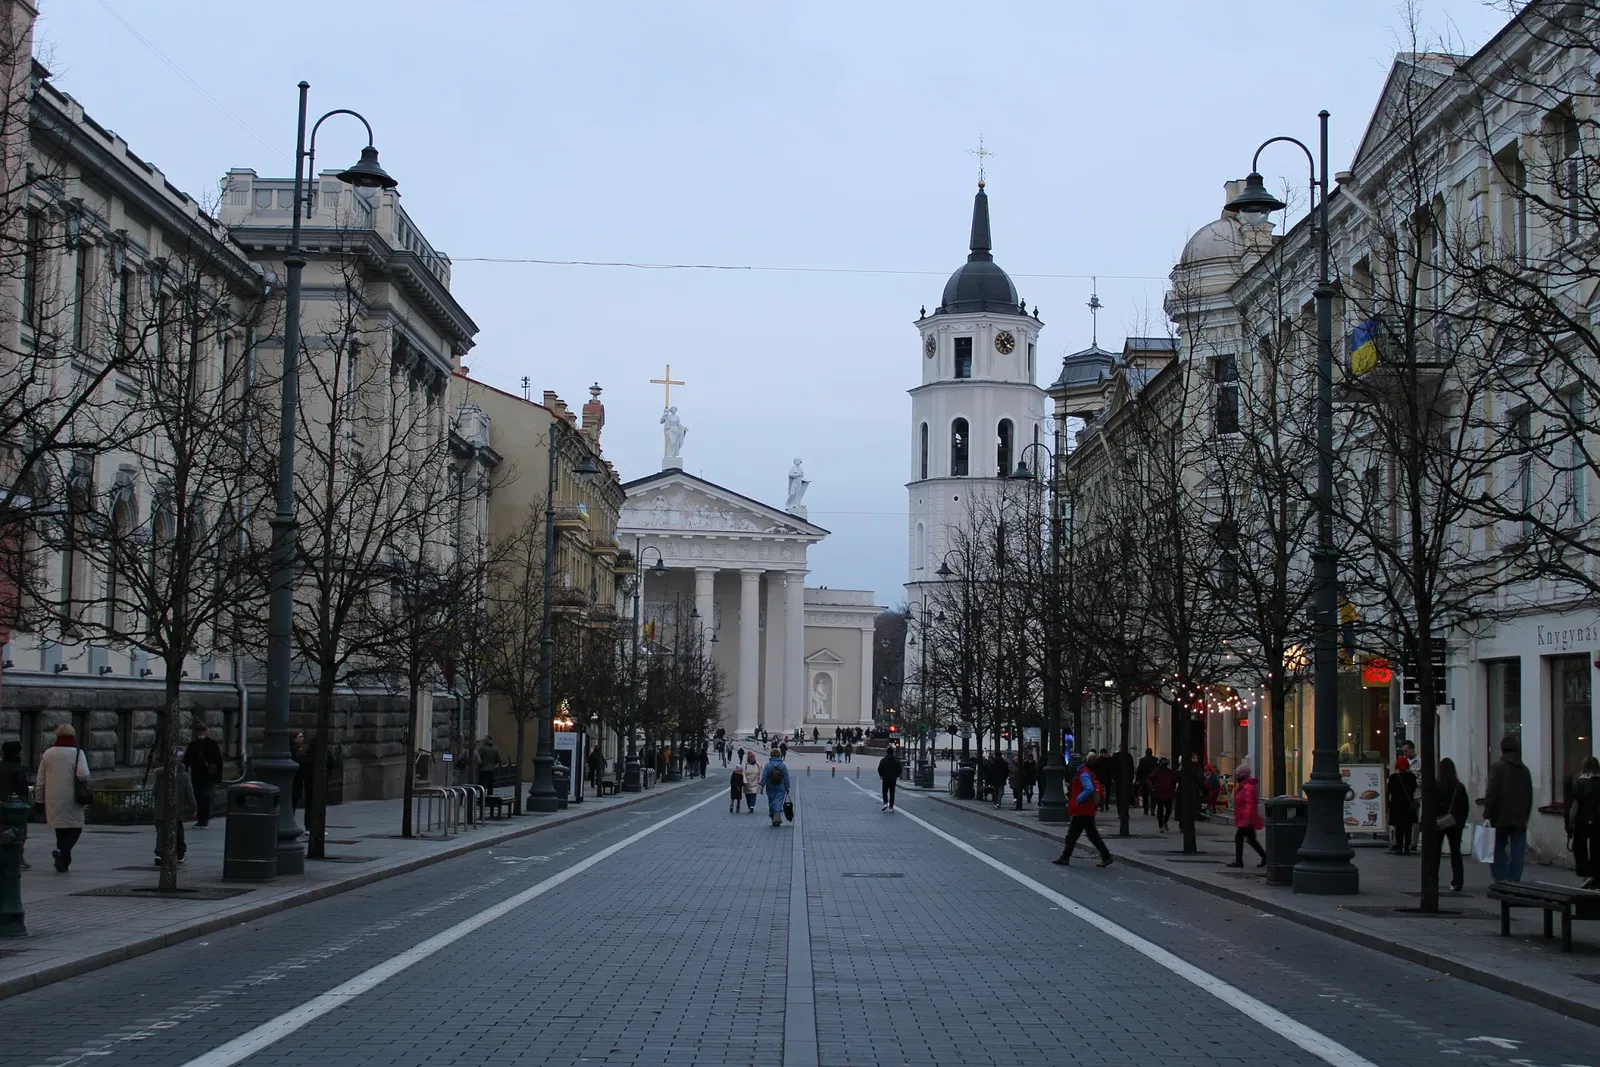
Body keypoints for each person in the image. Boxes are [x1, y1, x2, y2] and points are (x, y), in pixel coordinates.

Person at [36, 724, 90, 873]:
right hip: (72, 797)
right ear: (73, 736)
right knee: (75, 828)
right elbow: (83, 775)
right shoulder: (77, 753)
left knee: (60, 829)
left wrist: (39, 800)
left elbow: (40, 780)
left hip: (52, 797)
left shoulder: (47, 754)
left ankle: (63, 862)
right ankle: (62, 852)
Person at [1485, 734, 1533, 882]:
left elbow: (1491, 791)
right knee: (1518, 849)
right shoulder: (1524, 769)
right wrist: (1525, 814)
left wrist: (1488, 812)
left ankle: (1501, 877)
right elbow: (1529, 794)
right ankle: (1514, 878)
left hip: (1500, 815)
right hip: (1519, 817)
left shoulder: (1498, 767)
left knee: (1497, 847)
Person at [1052, 754, 1113, 868]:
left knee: (1072, 835)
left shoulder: (1083, 773)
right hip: (1086, 809)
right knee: (1091, 835)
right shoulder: (1084, 772)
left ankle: (1065, 857)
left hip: (1082, 809)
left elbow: (1088, 788)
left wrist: (1078, 800)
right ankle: (1106, 856)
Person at [1434, 757, 1471, 893]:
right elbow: (1465, 807)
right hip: (1454, 823)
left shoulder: (1436, 786)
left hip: (1438, 823)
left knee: (1435, 853)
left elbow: (1431, 806)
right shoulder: (1459, 787)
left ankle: (1433, 879)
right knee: (1455, 853)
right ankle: (1458, 881)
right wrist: (1459, 822)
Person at [153, 749, 195, 865]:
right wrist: (194, 808)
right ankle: (180, 854)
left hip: (161, 811)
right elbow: (189, 793)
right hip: (176, 811)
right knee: (178, 833)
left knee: (161, 833)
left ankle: (159, 854)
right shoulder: (183, 776)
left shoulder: (161, 775)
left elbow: (154, 792)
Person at [1567, 755, 1600, 890]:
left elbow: (1573, 807)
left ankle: (1586, 873)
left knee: (1580, 847)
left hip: (1582, 821)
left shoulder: (1578, 783)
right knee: (1597, 848)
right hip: (1598, 820)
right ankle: (1596, 875)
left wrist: (1569, 823)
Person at [182, 723, 223, 828]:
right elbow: (186, 760)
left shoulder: (212, 745)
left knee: (205, 797)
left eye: (203, 731)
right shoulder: (193, 745)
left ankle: (204, 819)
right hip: (196, 775)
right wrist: (183, 772)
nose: (200, 733)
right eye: (199, 731)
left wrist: (218, 777)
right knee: (198, 796)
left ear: (206, 731)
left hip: (208, 776)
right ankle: (200, 819)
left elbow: (218, 761)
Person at [1227, 762, 1266, 868]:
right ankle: (1265, 857)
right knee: (1251, 840)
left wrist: (1246, 818)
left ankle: (1239, 861)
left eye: (1237, 775)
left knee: (1239, 838)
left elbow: (1249, 804)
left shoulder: (1247, 787)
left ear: (1241, 775)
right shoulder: (1245, 786)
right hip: (1246, 818)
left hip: (1246, 819)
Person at [0, 740, 31, 869]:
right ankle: (18, 856)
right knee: (18, 830)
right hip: (13, 805)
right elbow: (22, 789)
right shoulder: (18, 769)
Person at [1386, 757, 1417, 855]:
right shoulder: (1412, 777)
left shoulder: (1393, 777)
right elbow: (1413, 789)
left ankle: (1399, 846)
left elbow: (1390, 790)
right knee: (1408, 827)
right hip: (1408, 805)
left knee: (1398, 827)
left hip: (1397, 805)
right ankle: (1407, 846)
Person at [762, 746, 790, 827]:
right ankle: (776, 817)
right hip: (780, 786)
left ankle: (772, 814)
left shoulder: (768, 765)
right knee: (778, 801)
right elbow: (786, 777)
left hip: (770, 786)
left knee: (771, 801)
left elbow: (764, 776)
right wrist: (787, 787)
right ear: (779, 755)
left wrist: (761, 785)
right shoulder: (782, 765)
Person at [1148, 757, 1176, 831]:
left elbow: (1173, 781)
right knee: (1160, 809)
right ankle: (1161, 825)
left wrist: (1172, 789)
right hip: (1159, 792)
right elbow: (1149, 779)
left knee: (1168, 810)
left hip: (1167, 793)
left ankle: (1164, 822)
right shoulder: (1157, 771)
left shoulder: (1169, 772)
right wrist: (1153, 787)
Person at [878, 746, 902, 812]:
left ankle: (885, 803)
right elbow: (899, 769)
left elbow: (879, 768)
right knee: (892, 792)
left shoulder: (883, 760)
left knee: (884, 791)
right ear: (893, 752)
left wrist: (881, 775)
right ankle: (891, 806)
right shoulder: (896, 761)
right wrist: (896, 776)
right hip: (893, 779)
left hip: (885, 778)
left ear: (887, 752)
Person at [290, 731, 308, 811]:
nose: (302, 739)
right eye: (299, 737)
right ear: (293, 739)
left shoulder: (301, 750)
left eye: (302, 737)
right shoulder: (292, 751)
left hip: (298, 780)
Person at [1135, 748, 1157, 815]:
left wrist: (1138, 779)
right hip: (1153, 780)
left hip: (1144, 780)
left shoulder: (1142, 760)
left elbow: (1139, 771)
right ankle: (1152, 809)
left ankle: (1146, 810)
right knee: (1153, 795)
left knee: (1145, 796)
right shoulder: (1155, 760)